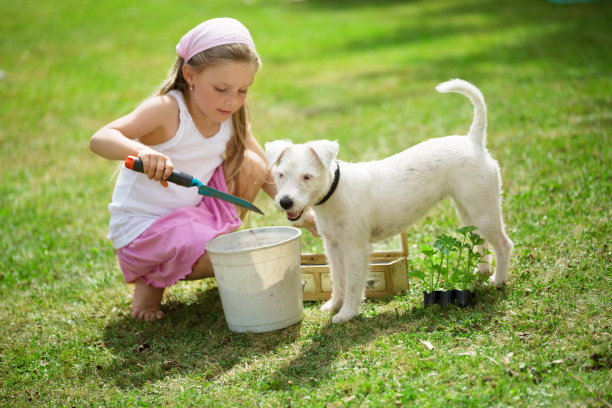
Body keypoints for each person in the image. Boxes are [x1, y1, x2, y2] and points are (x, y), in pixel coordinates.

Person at [90, 18, 314, 321]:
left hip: (195, 215)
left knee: (252, 163)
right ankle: (151, 283)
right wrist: (142, 151)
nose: (232, 101)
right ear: (189, 74)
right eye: (221, 88)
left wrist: (301, 209)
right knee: (231, 259)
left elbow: (266, 174)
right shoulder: (167, 110)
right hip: (144, 231)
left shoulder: (231, 116)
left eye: (242, 90)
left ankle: (219, 252)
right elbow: (100, 138)